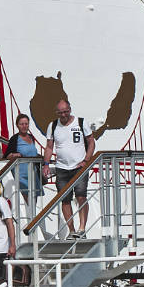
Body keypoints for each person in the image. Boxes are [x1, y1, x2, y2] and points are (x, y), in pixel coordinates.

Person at [43, 96, 97, 235]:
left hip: (79, 167)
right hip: (62, 167)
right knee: (65, 200)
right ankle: (71, 230)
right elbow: (49, 147)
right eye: (60, 112)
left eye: (66, 111)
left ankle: (82, 228)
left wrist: (86, 160)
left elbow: (91, 142)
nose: (63, 115)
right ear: (56, 112)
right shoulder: (53, 125)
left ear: (70, 109)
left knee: (81, 196)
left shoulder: (81, 122)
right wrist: (46, 164)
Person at [8, 113, 44, 204]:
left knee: (34, 201)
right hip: (21, 175)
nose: (24, 126)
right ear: (17, 125)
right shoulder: (14, 139)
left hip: (33, 174)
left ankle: (34, 218)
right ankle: (28, 218)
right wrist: (14, 155)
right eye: (21, 124)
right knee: (26, 201)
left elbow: (33, 153)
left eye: (26, 124)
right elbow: (7, 156)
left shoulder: (31, 138)